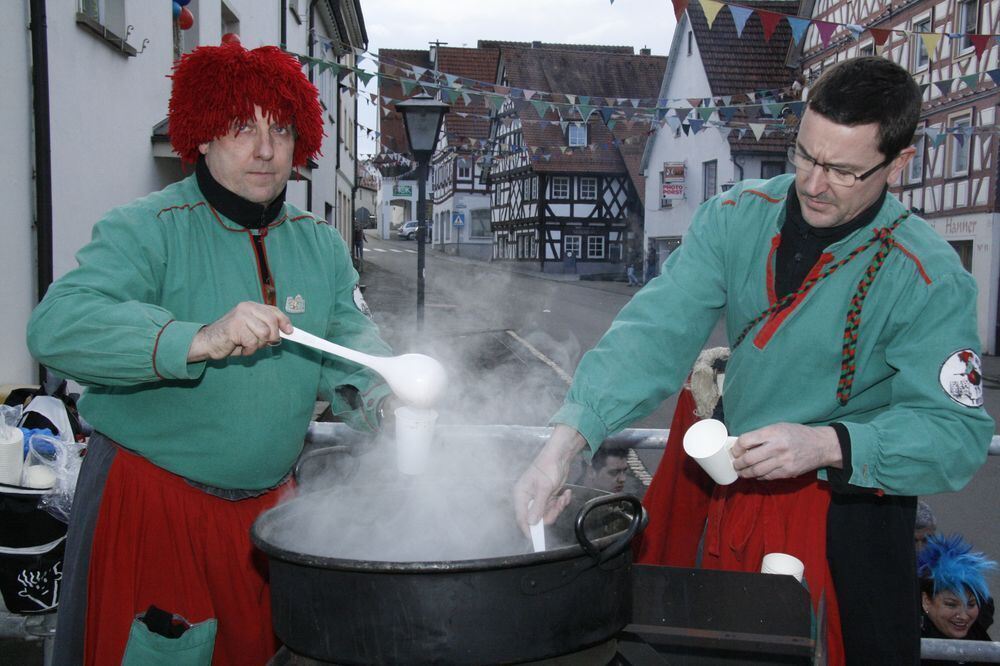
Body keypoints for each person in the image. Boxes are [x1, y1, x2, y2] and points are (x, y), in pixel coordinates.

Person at [514, 56, 994, 666]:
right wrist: (560, 447)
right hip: (737, 503)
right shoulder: (736, 217)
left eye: (844, 171)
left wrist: (827, 443)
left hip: (850, 518)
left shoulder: (928, 275)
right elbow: (651, 334)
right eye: (806, 155)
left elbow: (956, 435)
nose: (814, 185)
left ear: (898, 163)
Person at [27, 44, 396, 665]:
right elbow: (57, 326)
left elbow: (349, 343)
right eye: (240, 126)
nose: (264, 149)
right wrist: (196, 338)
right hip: (151, 507)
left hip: (269, 518)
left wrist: (385, 399)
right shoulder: (147, 227)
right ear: (200, 136)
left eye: (280, 129)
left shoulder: (321, 244)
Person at [918, 533, 995, 664]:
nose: (964, 616)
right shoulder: (908, 646)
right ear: (926, 601)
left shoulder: (978, 637)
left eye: (971, 604)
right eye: (951, 605)